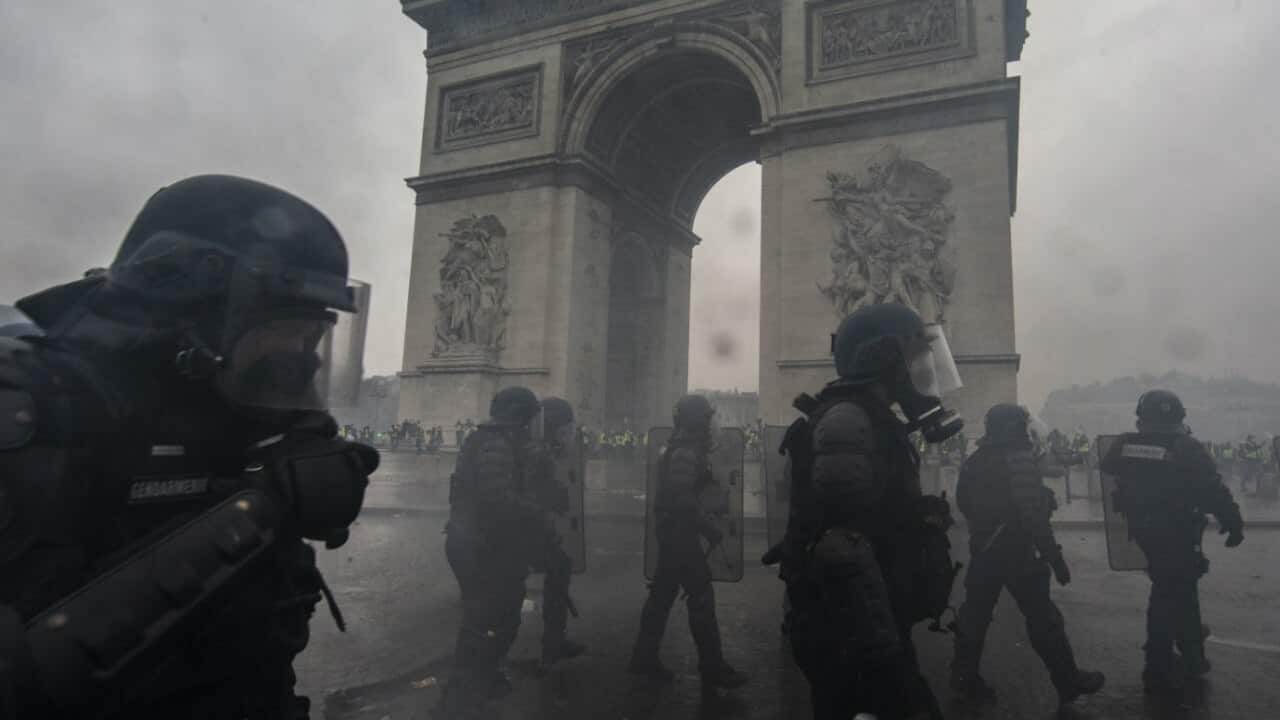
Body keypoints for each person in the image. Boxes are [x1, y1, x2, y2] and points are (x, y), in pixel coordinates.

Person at [0, 174, 378, 718]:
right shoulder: (26, 424)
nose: (306, 359)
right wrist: (253, 516)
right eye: (286, 332)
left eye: (312, 338)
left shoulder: (248, 433)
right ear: (190, 318)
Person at [774, 303, 963, 720]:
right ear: (888, 362)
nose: (926, 373)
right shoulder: (848, 421)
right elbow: (841, 543)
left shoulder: (864, 417)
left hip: (863, 616)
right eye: (917, 360)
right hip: (855, 622)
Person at [951, 404, 1105, 707]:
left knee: (974, 618)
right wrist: (1054, 557)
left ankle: (964, 680)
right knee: (1043, 619)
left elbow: (963, 502)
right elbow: (1032, 516)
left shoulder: (976, 459)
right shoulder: (1018, 459)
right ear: (1013, 428)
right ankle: (1068, 680)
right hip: (1017, 553)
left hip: (984, 551)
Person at [1100, 390, 1244, 695]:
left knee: (1177, 586)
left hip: (1143, 529)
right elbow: (1213, 489)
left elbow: (1109, 467)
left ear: (1143, 416)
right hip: (1179, 530)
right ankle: (1160, 661)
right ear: (1179, 417)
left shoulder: (1125, 444)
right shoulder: (1187, 446)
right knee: (1173, 589)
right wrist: (1233, 522)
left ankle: (1189, 654)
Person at [436, 387, 564, 719]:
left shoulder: (498, 441)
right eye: (531, 416)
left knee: (497, 619)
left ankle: (482, 682)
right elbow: (497, 499)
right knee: (485, 623)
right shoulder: (497, 445)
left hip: (483, 543)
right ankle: (459, 702)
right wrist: (539, 516)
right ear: (520, 416)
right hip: (482, 546)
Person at [629, 394, 748, 694]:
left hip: (675, 534)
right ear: (699, 420)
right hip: (681, 536)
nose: (711, 424)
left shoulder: (683, 447)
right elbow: (682, 498)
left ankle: (643, 659)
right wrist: (709, 528)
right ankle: (712, 667)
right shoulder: (685, 451)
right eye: (707, 418)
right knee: (701, 599)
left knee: (661, 597)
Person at [527, 396, 587, 669]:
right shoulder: (538, 455)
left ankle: (554, 641)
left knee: (559, 568)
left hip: (533, 528)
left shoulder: (538, 450)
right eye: (567, 429)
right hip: (521, 530)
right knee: (507, 593)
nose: (571, 434)